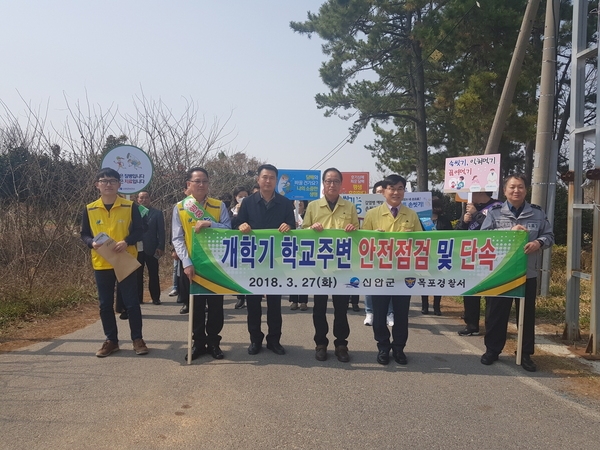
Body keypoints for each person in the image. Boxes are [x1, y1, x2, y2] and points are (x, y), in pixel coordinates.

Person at [480, 174, 554, 372]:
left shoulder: (537, 213)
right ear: (505, 191)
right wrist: (508, 233)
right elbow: (482, 238)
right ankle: (492, 350)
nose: (516, 190)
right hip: (499, 274)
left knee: (526, 315)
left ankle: (525, 353)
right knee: (495, 314)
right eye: (512, 187)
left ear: (526, 190)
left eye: (520, 187)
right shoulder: (495, 213)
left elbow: (549, 235)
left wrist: (538, 242)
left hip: (526, 274)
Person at [80, 167, 148, 357]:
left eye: (112, 181)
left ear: (119, 184)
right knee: (105, 304)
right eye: (104, 181)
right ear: (97, 185)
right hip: (102, 262)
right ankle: (111, 340)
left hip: (125, 260)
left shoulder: (130, 206)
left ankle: (137, 339)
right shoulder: (89, 208)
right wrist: (90, 243)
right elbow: (84, 233)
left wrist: (127, 241)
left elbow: (140, 230)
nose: (108, 184)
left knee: (132, 303)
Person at [233, 164, 296, 355]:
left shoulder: (286, 203)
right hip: (253, 260)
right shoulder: (248, 202)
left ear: (276, 181)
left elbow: (293, 227)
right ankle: (255, 340)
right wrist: (242, 225)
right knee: (253, 304)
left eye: (272, 178)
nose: (268, 181)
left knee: (275, 305)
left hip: (275, 261)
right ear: (258, 180)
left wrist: (288, 227)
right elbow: (237, 224)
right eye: (264, 177)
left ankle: (274, 340)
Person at [172, 167, 232, 361]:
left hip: (215, 265)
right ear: (188, 184)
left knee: (215, 308)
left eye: (204, 181)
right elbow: (177, 238)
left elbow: (228, 230)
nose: (201, 185)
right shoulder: (180, 207)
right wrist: (186, 262)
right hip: (192, 266)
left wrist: (210, 224)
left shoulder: (218, 205)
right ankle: (198, 343)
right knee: (196, 307)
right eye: (197, 181)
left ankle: (214, 343)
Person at [362, 174, 422, 365]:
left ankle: (398, 348)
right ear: (384, 191)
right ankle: (382, 347)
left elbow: (421, 243)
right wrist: (374, 240)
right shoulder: (372, 215)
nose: (396, 192)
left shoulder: (411, 215)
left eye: (400, 188)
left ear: (404, 191)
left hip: (403, 275)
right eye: (392, 188)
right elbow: (362, 246)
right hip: (380, 274)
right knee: (379, 316)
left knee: (401, 314)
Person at [302, 168, 359, 362]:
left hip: (342, 266)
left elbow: (359, 236)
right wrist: (311, 228)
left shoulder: (349, 207)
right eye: (328, 181)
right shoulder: (313, 206)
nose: (331, 184)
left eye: (335, 181)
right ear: (323, 184)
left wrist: (353, 229)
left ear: (341, 184)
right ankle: (320, 343)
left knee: (341, 307)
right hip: (319, 265)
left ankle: (341, 344)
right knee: (319, 307)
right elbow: (302, 232)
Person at [455, 192, 502, 336]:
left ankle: (491, 327)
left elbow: (496, 228)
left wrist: (476, 215)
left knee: (491, 295)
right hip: (471, 255)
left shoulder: (498, 206)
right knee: (470, 292)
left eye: (471, 192)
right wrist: (464, 221)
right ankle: (471, 324)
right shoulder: (469, 208)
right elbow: (458, 232)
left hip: (490, 256)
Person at [364, 180, 393, 327]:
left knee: (391, 286)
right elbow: (363, 236)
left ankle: (390, 313)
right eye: (379, 192)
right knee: (371, 287)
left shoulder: (407, 213)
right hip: (374, 258)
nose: (381, 194)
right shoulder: (371, 213)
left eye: (383, 191)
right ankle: (370, 312)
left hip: (395, 259)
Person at [421, 196, 453, 315]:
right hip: (425, 253)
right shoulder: (422, 220)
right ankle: (424, 306)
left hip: (441, 254)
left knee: (439, 280)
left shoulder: (444, 220)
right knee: (424, 280)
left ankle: (436, 306)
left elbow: (451, 236)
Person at [136, 191, 165, 305]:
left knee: (153, 273)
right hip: (137, 248)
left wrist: (161, 246)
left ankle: (156, 297)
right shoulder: (134, 212)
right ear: (137, 200)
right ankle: (138, 298)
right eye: (141, 198)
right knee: (137, 274)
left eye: (146, 197)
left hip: (152, 248)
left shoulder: (157, 213)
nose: (144, 200)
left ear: (150, 199)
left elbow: (161, 231)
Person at [230, 186, 249, 309]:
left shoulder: (251, 208)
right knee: (240, 274)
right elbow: (229, 225)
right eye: (240, 196)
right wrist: (236, 213)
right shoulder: (230, 210)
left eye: (245, 196)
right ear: (235, 197)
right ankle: (240, 298)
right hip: (236, 246)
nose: (243, 199)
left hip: (250, 245)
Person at [290, 200, 309, 311]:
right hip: (292, 247)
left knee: (304, 275)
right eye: (296, 200)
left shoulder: (308, 213)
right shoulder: (290, 213)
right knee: (293, 275)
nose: (298, 203)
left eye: (301, 201)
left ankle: (303, 301)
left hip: (305, 248)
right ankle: (294, 300)